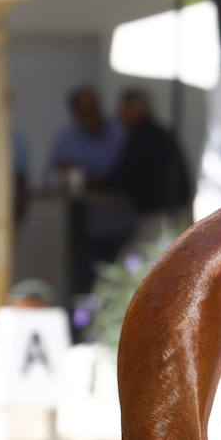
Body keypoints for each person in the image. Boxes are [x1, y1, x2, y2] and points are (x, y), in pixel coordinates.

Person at [46, 86, 135, 296]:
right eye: (84, 111)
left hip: (124, 218)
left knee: (122, 279)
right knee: (89, 280)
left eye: (93, 109)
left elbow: (131, 172)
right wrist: (69, 174)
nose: (91, 116)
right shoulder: (67, 139)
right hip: (84, 222)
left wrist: (100, 179)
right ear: (75, 114)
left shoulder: (119, 133)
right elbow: (51, 177)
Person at [113, 88, 191, 246]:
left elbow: (123, 175)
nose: (120, 116)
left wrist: (98, 182)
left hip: (162, 214)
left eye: (123, 110)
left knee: (136, 263)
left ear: (136, 110)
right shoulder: (158, 132)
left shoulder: (142, 135)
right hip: (176, 210)